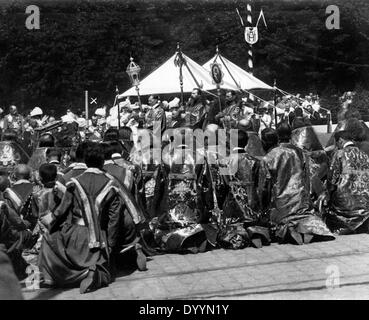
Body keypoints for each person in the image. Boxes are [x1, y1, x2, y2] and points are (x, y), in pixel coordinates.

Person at [39, 142, 144, 293]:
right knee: (104, 262)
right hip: (98, 239)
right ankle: (94, 271)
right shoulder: (112, 183)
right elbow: (114, 218)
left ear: (85, 161)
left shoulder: (73, 183)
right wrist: (111, 243)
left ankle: (50, 277)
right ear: (102, 162)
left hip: (74, 234)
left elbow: (61, 211)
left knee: (48, 239)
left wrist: (50, 224)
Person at [258, 122, 335, 245]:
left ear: (277, 136)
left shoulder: (269, 157)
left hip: (280, 204)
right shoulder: (301, 153)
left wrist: (262, 207)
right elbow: (308, 179)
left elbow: (265, 188)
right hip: (300, 203)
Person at [220, 130, 270, 249]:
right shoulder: (256, 161)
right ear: (247, 143)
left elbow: (221, 186)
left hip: (232, 209)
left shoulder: (223, 162)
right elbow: (261, 186)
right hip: (252, 207)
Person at [325, 120, 369, 234]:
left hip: (345, 203)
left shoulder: (339, 154)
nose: (336, 146)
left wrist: (326, 194)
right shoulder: (364, 155)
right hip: (364, 202)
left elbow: (332, 179)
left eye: (336, 143)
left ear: (340, 141)